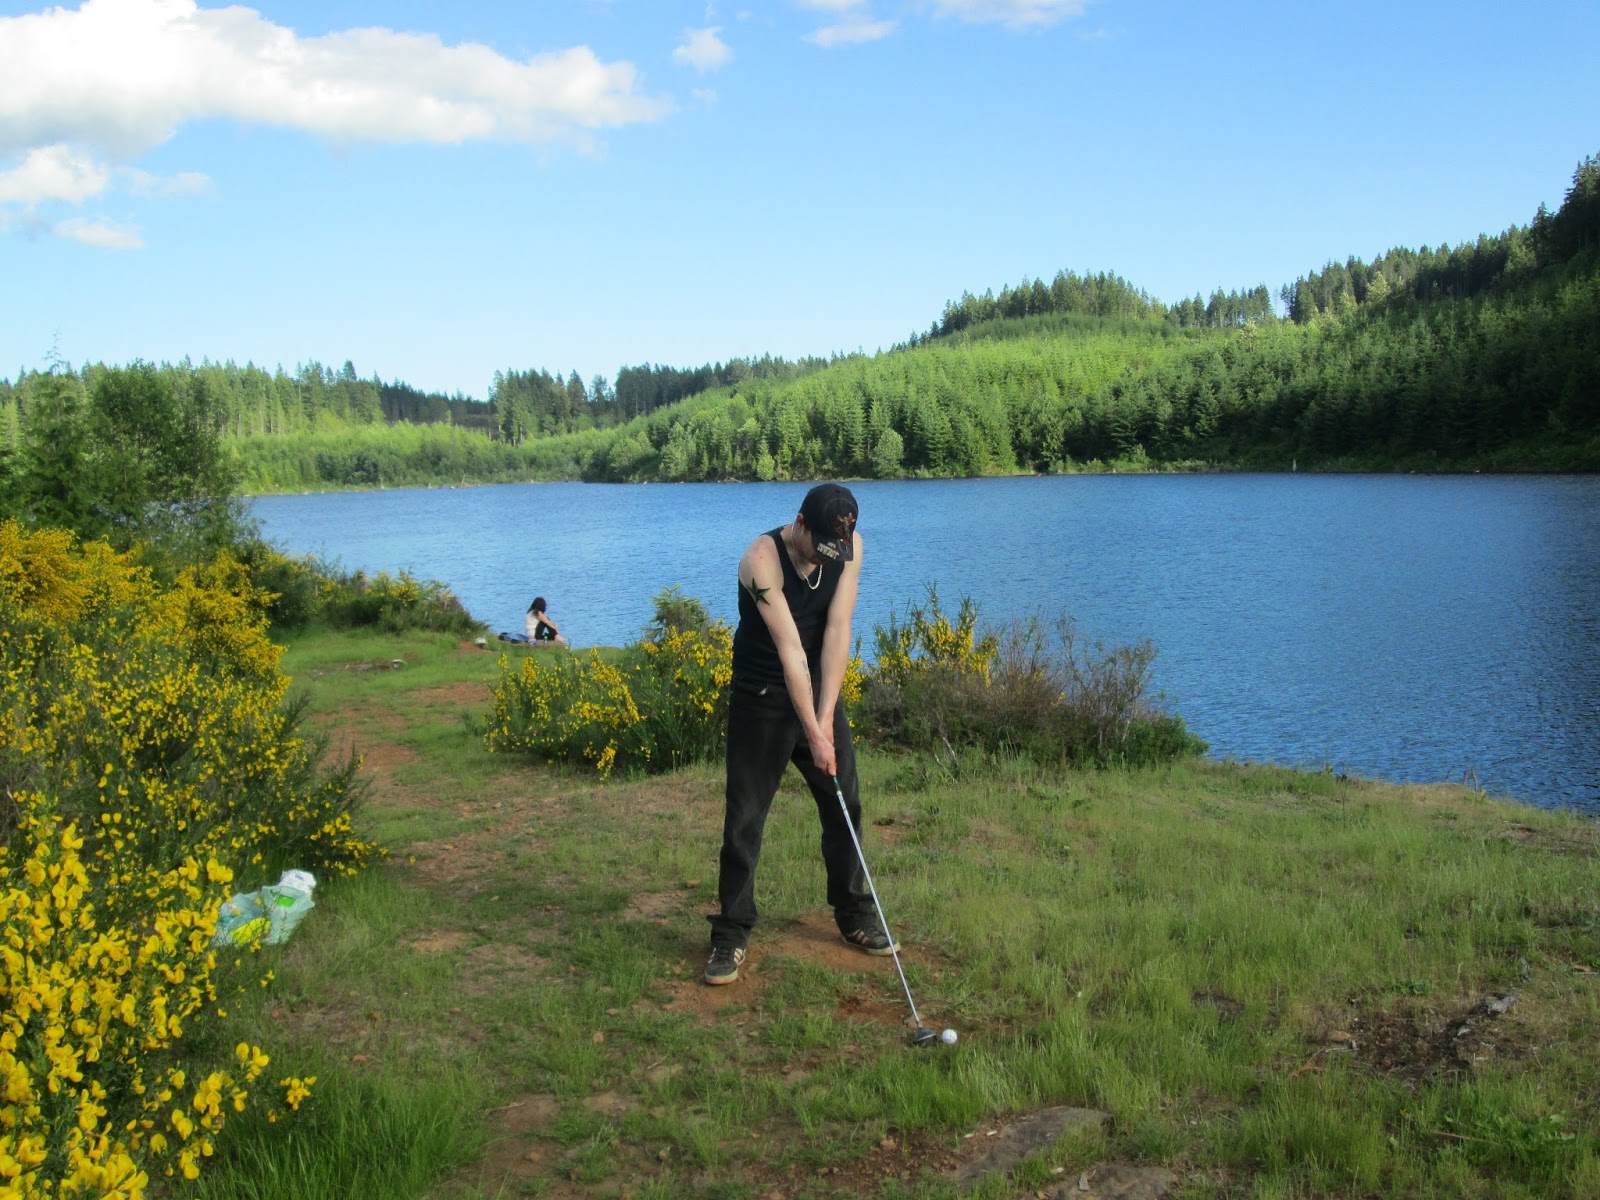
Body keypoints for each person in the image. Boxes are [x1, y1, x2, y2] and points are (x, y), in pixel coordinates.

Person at [705, 483, 892, 986]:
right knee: (745, 817)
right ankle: (731, 932)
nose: (827, 560)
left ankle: (854, 915)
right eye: (819, 549)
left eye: (839, 551)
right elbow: (790, 649)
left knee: (843, 806)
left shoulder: (846, 547)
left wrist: (826, 718)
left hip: (820, 692)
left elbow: (837, 628)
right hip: (761, 696)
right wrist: (812, 730)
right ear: (800, 523)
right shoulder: (761, 560)